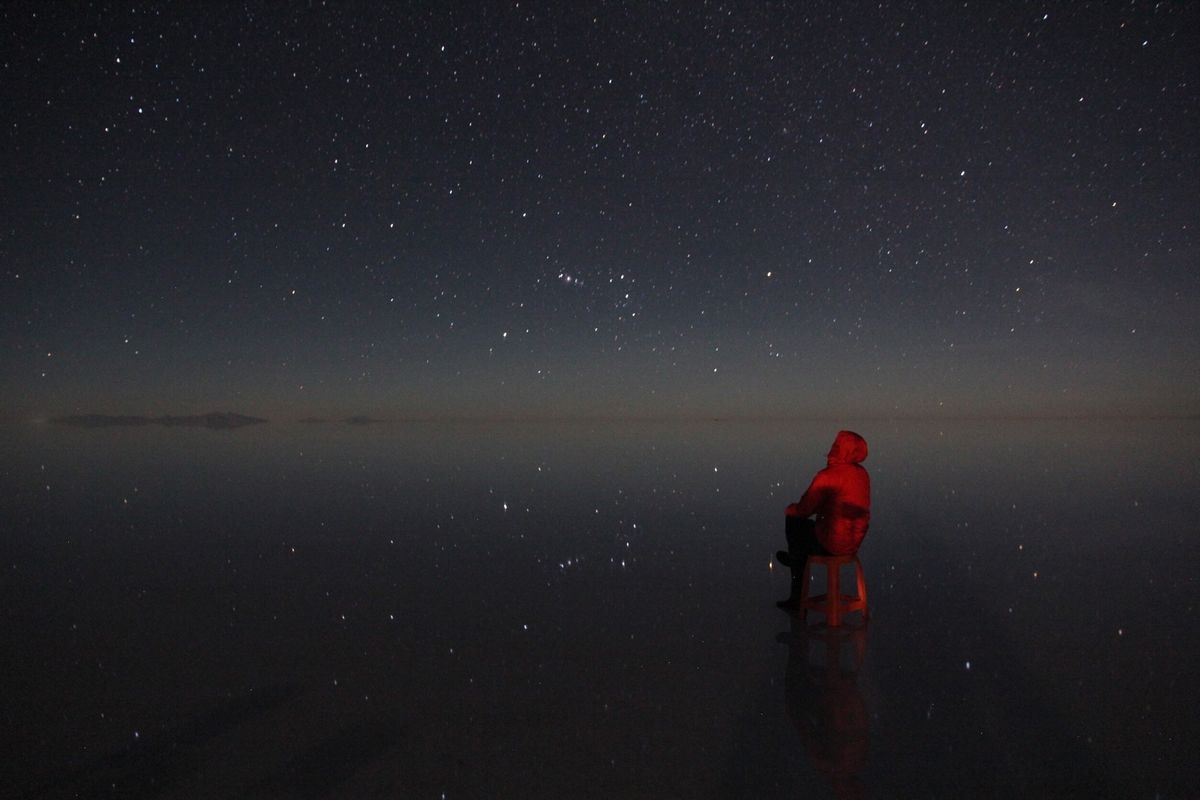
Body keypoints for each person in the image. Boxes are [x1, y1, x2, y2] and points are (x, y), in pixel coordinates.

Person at [776, 430, 870, 609]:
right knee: (807, 527)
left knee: (794, 521)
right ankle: (795, 559)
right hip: (853, 542)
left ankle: (796, 594)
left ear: (838, 449)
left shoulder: (828, 476)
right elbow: (841, 503)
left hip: (831, 544)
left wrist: (790, 509)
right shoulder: (862, 475)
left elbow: (804, 509)